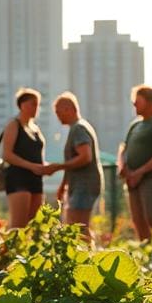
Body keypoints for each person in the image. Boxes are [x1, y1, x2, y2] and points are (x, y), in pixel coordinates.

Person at [117, 85, 152, 241]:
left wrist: (140, 172)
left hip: (151, 180)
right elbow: (123, 148)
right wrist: (123, 168)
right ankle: (147, 251)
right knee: (138, 220)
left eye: (138, 101)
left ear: (149, 102)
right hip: (132, 180)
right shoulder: (135, 125)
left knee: (151, 219)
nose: (134, 104)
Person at [48, 92, 103, 243]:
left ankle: (86, 260)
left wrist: (58, 166)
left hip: (84, 185)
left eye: (58, 112)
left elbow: (85, 157)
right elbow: (74, 161)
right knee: (76, 226)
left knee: (78, 228)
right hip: (79, 185)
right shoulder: (77, 128)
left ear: (68, 109)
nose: (58, 117)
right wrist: (63, 185)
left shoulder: (79, 129)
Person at [2, 88, 48, 228]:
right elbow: (7, 155)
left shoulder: (35, 129)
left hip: (36, 179)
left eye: (38, 104)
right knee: (19, 226)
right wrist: (31, 166)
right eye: (33, 104)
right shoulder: (14, 125)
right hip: (18, 178)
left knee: (34, 226)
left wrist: (46, 167)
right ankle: (11, 250)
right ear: (22, 105)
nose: (36, 108)